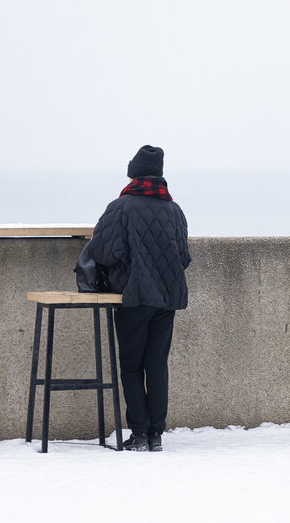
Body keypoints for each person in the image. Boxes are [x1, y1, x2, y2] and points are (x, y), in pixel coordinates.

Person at [81, 145, 191, 451]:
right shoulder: (174, 209)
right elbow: (182, 256)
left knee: (131, 365)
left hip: (134, 297)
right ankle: (156, 435)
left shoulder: (122, 206)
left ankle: (139, 434)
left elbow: (103, 251)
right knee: (157, 364)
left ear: (134, 172)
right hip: (167, 299)